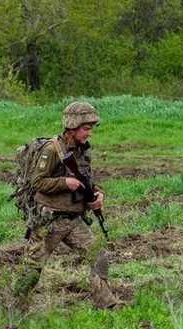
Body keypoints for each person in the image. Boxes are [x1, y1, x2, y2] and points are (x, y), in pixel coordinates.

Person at [14, 101, 120, 309]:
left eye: (90, 129)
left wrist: (98, 194)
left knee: (98, 257)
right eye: (85, 129)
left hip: (74, 220)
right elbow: (37, 183)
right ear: (72, 127)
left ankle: (107, 305)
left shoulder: (83, 151)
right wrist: (64, 183)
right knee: (32, 267)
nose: (89, 133)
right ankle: (13, 307)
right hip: (50, 221)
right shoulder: (51, 150)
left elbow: (87, 179)